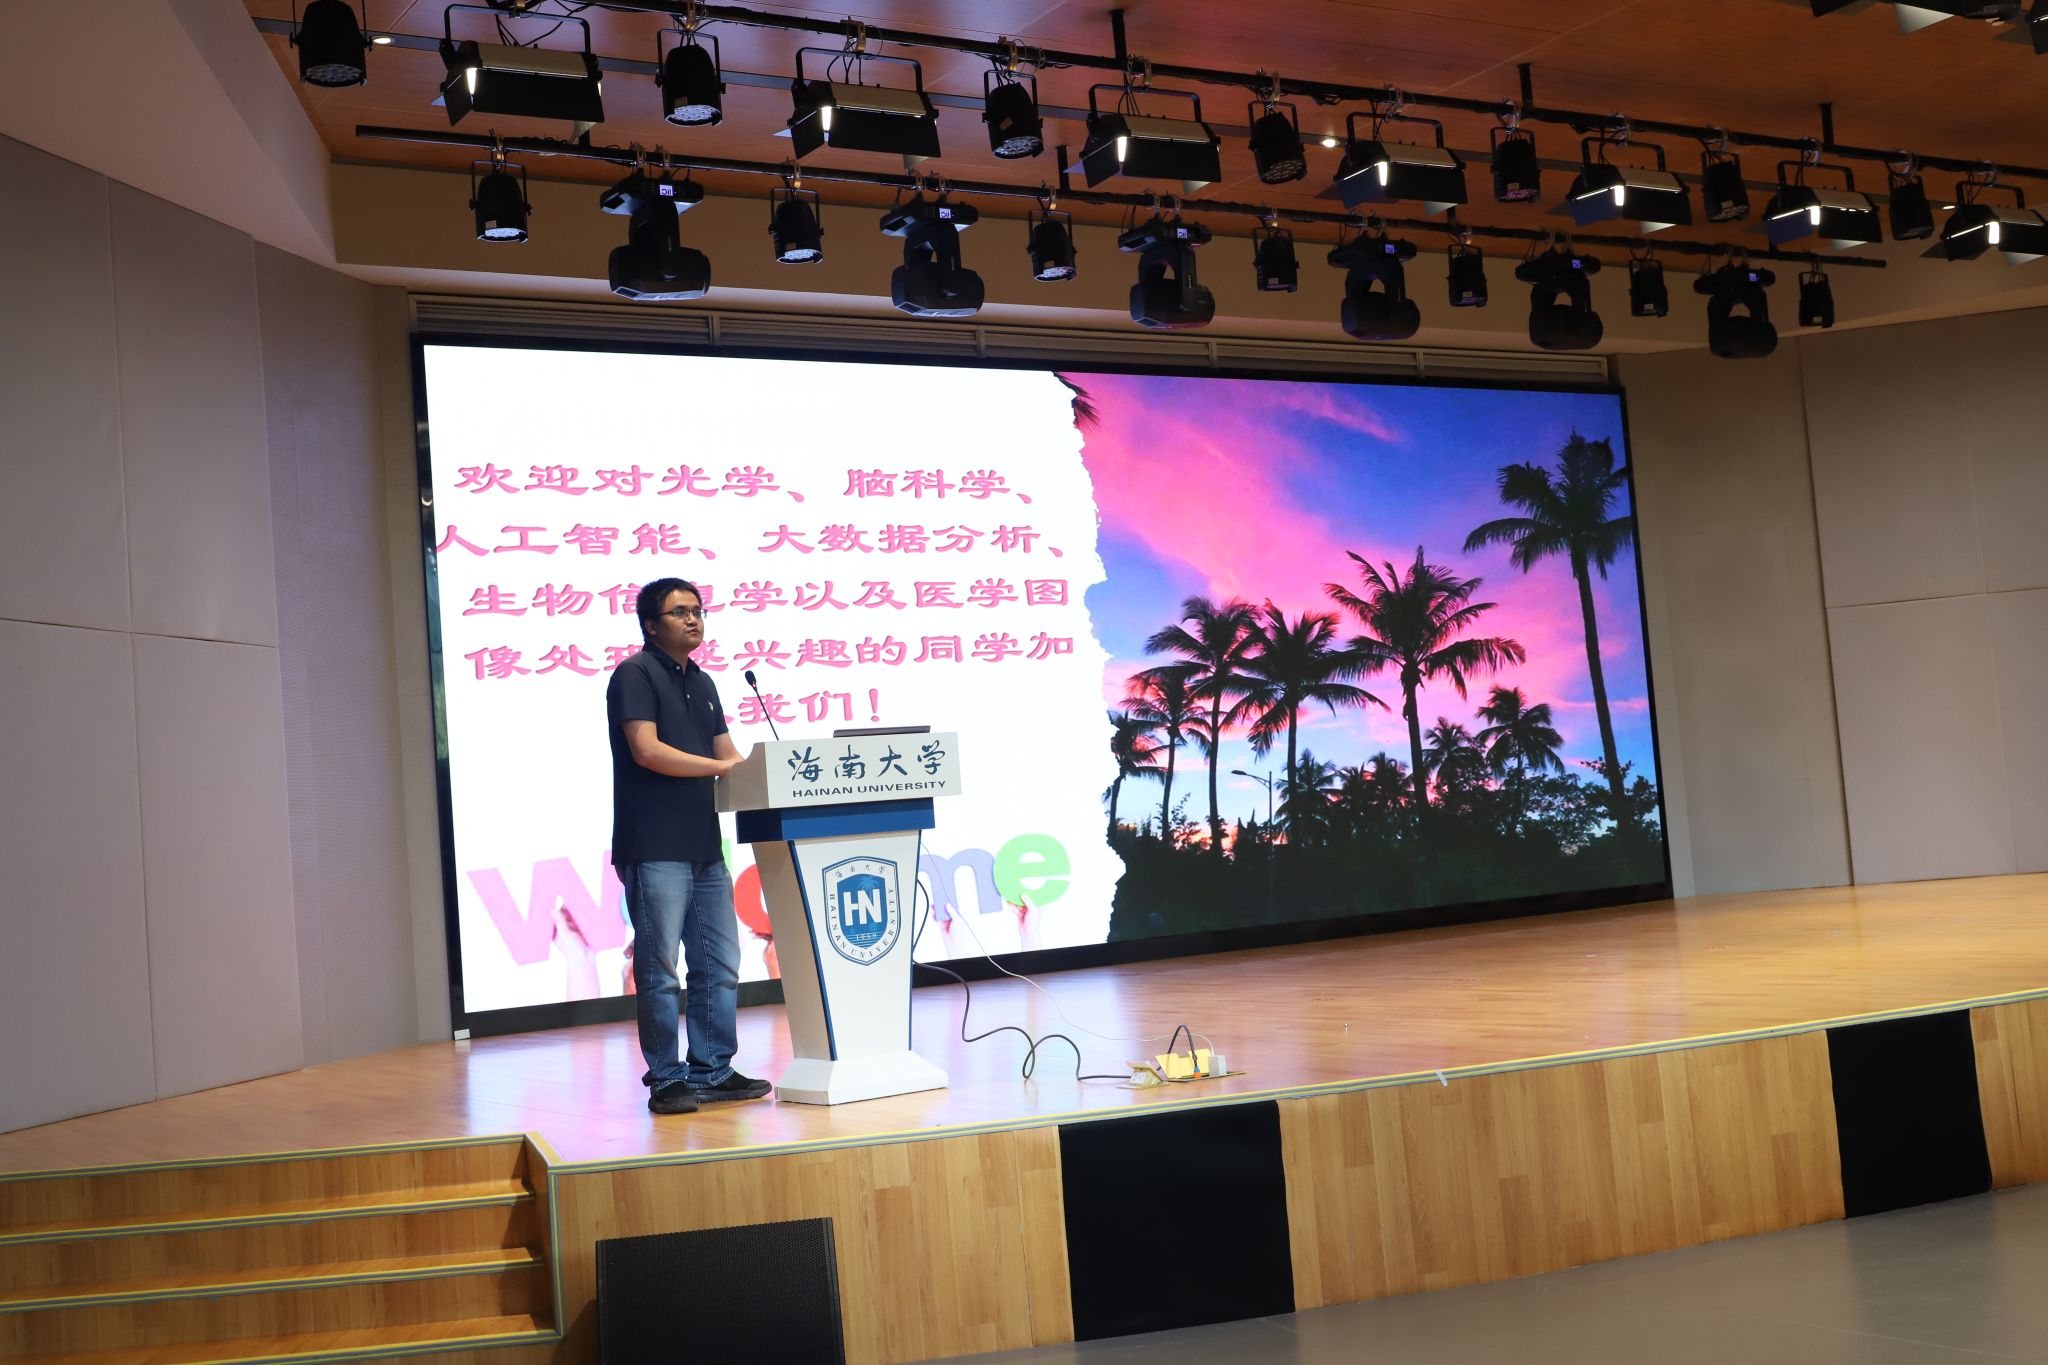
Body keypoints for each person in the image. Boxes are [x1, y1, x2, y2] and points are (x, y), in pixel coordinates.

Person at [608, 577, 773, 1115]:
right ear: (651, 625)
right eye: (680, 611)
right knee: (660, 969)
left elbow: (728, 755)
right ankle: (666, 1077)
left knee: (719, 963)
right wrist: (722, 767)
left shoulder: (703, 682)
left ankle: (713, 1069)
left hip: (704, 844)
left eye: (698, 610)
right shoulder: (634, 674)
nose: (693, 619)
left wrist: (775, 775)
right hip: (654, 843)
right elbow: (648, 750)